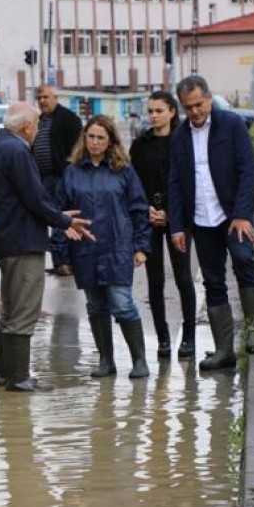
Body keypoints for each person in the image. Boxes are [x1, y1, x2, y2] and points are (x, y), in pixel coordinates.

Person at [0, 103, 94, 392]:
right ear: (26, 127)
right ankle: (18, 378)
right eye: (36, 124)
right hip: (21, 241)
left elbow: (31, 198)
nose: (38, 129)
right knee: (23, 312)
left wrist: (58, 216)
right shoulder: (18, 150)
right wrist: (62, 220)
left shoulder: (1, 144)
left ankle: (5, 376)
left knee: (9, 311)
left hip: (5, 238)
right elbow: (35, 198)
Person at [167, 74, 254, 371]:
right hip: (201, 218)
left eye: (198, 104)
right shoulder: (179, 137)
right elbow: (175, 184)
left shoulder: (231, 125)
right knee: (212, 280)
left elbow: (247, 170)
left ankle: (253, 330)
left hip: (233, 215)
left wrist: (243, 214)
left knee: (244, 261)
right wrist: (178, 226)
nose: (194, 112)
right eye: (188, 107)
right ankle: (224, 350)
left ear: (208, 98)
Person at [59, 115, 152, 379]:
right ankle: (105, 360)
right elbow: (61, 213)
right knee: (96, 305)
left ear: (110, 140)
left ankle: (139, 361)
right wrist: (61, 255)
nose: (95, 143)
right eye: (91, 137)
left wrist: (141, 246)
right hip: (85, 250)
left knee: (122, 303)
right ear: (84, 138)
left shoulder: (123, 170)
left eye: (101, 137)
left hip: (117, 247)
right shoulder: (72, 171)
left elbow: (139, 208)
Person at [130, 91, 197, 360]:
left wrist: (170, 213)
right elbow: (131, 181)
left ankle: (189, 337)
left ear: (172, 111)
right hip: (148, 216)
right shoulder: (141, 144)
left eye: (159, 110)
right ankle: (163, 339)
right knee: (154, 279)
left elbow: (188, 181)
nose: (154, 116)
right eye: (151, 111)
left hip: (178, 217)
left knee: (183, 277)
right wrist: (146, 209)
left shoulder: (183, 140)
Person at [30, 84, 83, 275]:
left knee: (62, 216)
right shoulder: (39, 119)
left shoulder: (68, 119)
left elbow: (79, 146)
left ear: (55, 97)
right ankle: (60, 261)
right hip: (43, 178)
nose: (43, 101)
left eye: (46, 97)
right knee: (51, 217)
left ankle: (63, 262)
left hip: (62, 176)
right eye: (40, 97)